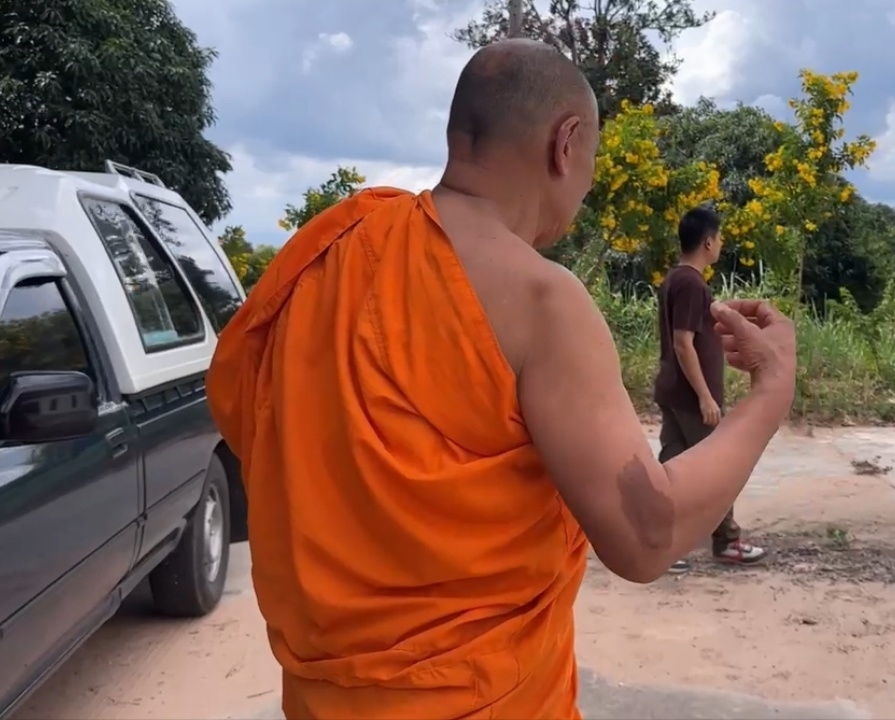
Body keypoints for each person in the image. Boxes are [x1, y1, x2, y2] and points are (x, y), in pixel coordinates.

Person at [206, 38, 795, 720]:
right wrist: (770, 391)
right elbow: (646, 535)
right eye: (594, 160)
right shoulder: (543, 301)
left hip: (324, 699)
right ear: (565, 144)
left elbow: (254, 423)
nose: (587, 182)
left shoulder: (328, 256)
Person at [654, 207, 768, 575]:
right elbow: (684, 342)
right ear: (707, 241)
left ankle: (660, 543)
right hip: (689, 395)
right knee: (722, 467)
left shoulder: (675, 279)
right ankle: (727, 541)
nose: (720, 244)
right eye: (719, 239)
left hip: (673, 390)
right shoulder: (691, 283)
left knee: (670, 470)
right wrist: (705, 395)